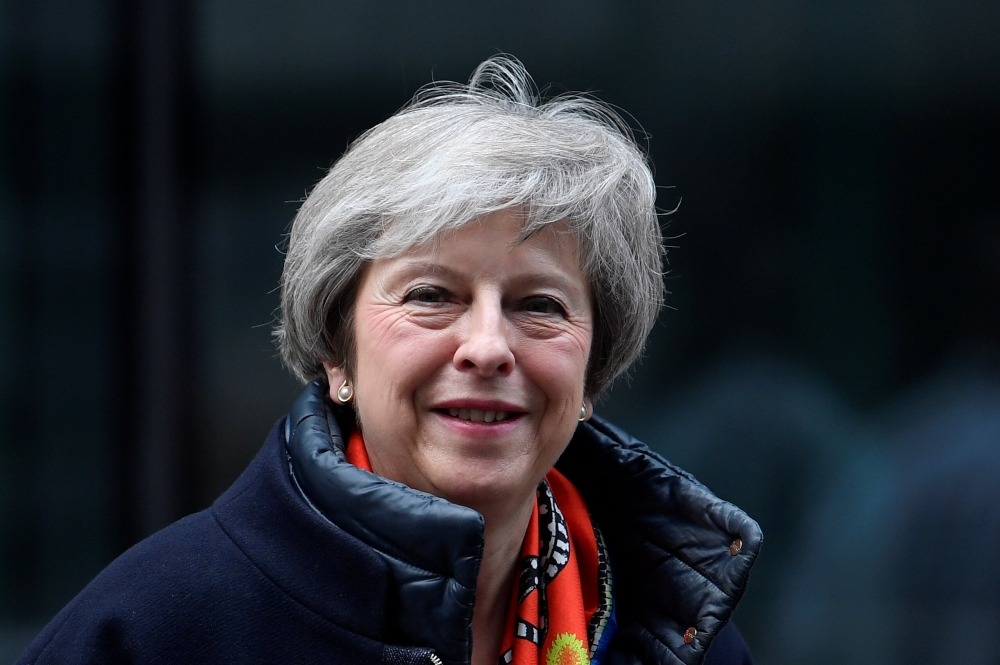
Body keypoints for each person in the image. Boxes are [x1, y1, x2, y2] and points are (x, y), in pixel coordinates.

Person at [18, 56, 761, 665]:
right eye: (433, 294)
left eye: (540, 305)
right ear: (336, 352)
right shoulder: (161, 627)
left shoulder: (679, 633)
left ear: (592, 371)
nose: (489, 346)